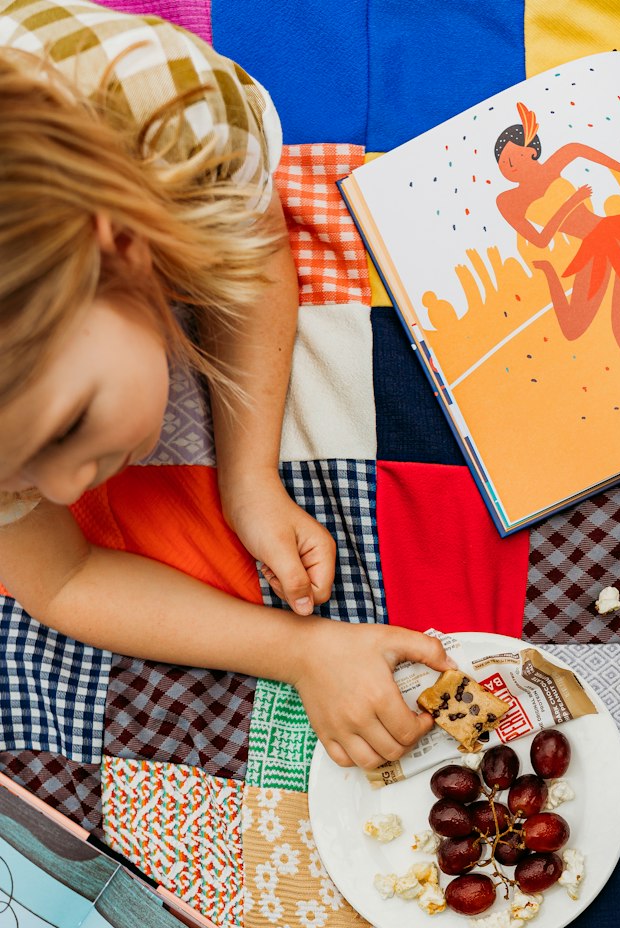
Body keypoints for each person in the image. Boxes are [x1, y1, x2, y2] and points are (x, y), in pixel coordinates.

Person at [0, 0, 447, 769]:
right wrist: (300, 650)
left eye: (71, 424)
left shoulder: (186, 122)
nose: (70, 488)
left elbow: (250, 251)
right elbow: (61, 578)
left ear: (123, 247)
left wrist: (250, 478)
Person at [494, 102, 620, 409]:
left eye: (511, 158)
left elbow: (579, 149)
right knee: (572, 328)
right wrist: (571, 202)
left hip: (619, 235)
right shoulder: (507, 200)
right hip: (592, 250)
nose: (507, 168)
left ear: (531, 152)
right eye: (502, 164)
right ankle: (551, 276)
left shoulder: (555, 164)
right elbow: (540, 239)